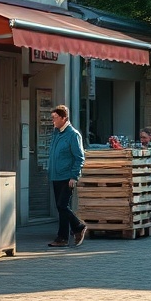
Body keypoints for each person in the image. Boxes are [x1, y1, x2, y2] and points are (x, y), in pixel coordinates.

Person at [47, 104, 87, 248]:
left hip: (66, 177)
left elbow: (79, 157)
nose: (53, 121)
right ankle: (62, 238)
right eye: (52, 118)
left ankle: (78, 226)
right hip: (56, 176)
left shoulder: (73, 134)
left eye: (55, 118)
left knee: (62, 205)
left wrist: (74, 176)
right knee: (61, 208)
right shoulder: (57, 133)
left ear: (64, 118)